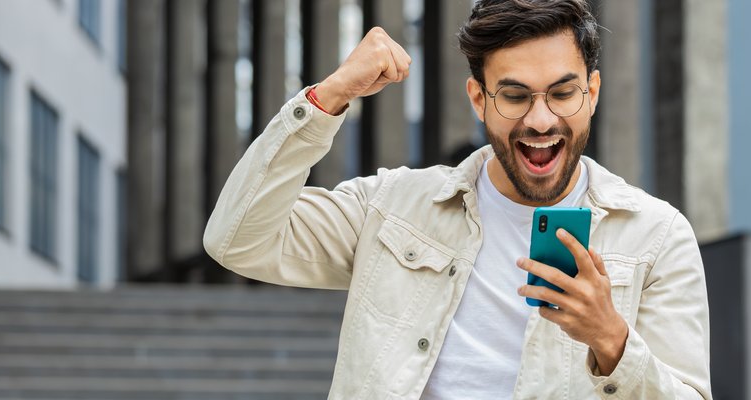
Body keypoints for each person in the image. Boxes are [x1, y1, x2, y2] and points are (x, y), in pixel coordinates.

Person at [203, 0, 710, 398]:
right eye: (514, 95)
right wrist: (327, 99)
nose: (540, 120)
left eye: (562, 93)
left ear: (593, 93)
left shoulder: (657, 236)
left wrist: (612, 342)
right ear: (478, 99)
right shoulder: (392, 206)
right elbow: (237, 240)